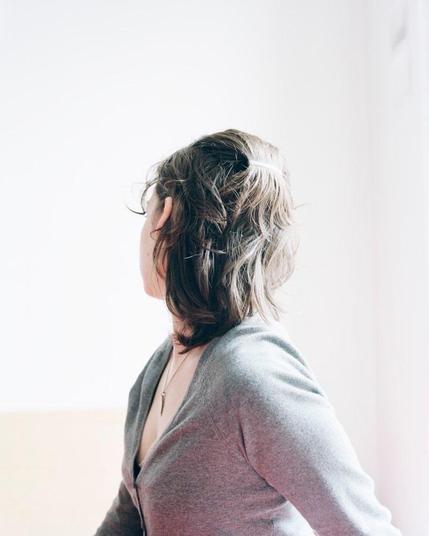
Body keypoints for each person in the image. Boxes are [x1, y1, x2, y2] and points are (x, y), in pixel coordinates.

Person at [94, 128, 402, 535]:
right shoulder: (163, 364)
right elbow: (130, 514)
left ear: (163, 218)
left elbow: (363, 527)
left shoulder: (253, 376)